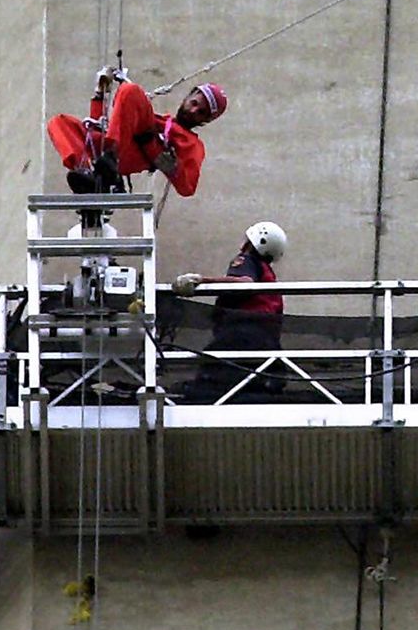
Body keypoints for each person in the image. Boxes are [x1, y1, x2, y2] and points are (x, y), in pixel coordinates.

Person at [46, 68, 227, 197]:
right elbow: (101, 129)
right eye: (194, 103)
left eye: (201, 112)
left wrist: (172, 168)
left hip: (132, 153)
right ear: (188, 96)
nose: (193, 111)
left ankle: (110, 161)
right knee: (59, 123)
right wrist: (99, 95)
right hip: (112, 149)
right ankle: (89, 175)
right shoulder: (161, 120)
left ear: (206, 121)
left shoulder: (192, 145)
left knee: (130, 90)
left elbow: (188, 188)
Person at [173, 222, 287, 398]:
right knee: (247, 387)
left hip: (241, 333)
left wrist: (202, 281)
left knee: (209, 377)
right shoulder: (267, 274)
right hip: (266, 341)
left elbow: (245, 283)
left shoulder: (246, 260)